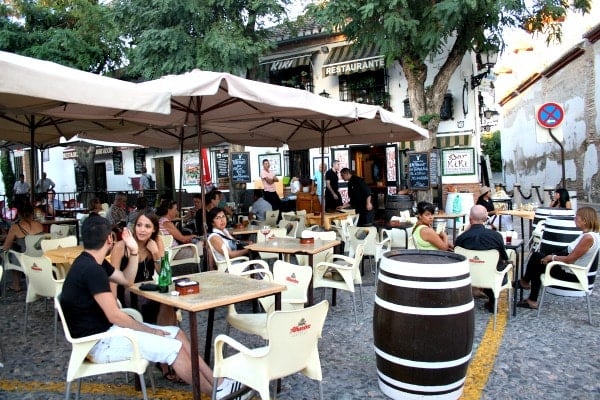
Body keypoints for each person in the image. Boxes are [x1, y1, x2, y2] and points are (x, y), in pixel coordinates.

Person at [59, 215, 245, 398]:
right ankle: (216, 394)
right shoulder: (92, 270)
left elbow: (127, 280)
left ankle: (219, 383)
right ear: (110, 238)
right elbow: (114, 315)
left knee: (177, 334)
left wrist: (133, 252)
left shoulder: (90, 263)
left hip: (107, 334)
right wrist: (150, 331)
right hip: (98, 344)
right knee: (174, 348)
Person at [518, 206, 600, 310]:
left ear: (584, 220)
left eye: (577, 217)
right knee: (538, 259)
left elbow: (570, 259)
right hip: (570, 270)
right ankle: (529, 294)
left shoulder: (588, 238)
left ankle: (526, 286)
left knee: (537, 259)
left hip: (572, 274)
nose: (575, 218)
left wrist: (552, 257)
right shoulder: (591, 235)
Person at [454, 205, 511, 313]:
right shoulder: (496, 236)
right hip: (491, 277)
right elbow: (504, 257)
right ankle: (492, 299)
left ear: (470, 219)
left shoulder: (461, 238)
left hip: (468, 276)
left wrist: (466, 230)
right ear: (485, 219)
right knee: (499, 265)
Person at [1, 201, 44, 292]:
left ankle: (16, 285)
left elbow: (6, 247)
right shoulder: (39, 225)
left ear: (19, 214)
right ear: (32, 212)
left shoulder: (15, 227)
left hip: (24, 260)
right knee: (17, 250)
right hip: (40, 257)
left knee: (11, 252)